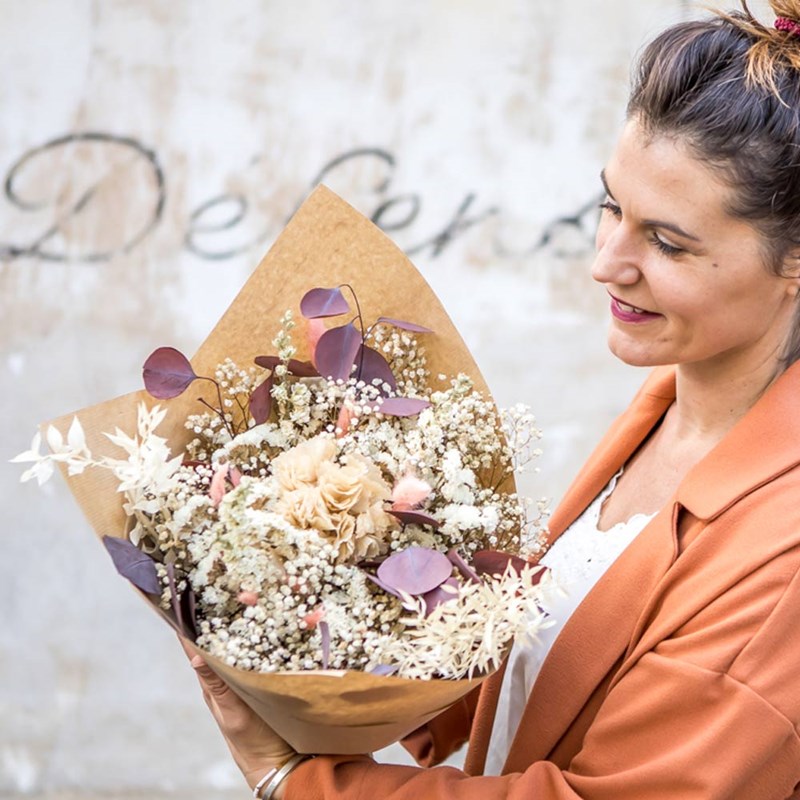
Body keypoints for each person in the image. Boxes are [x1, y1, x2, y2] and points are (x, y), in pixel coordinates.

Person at [184, 2, 800, 797]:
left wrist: (295, 779)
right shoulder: (668, 411)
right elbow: (556, 677)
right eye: (612, 206)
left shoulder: (783, 555)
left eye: (668, 242)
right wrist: (326, 595)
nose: (606, 262)